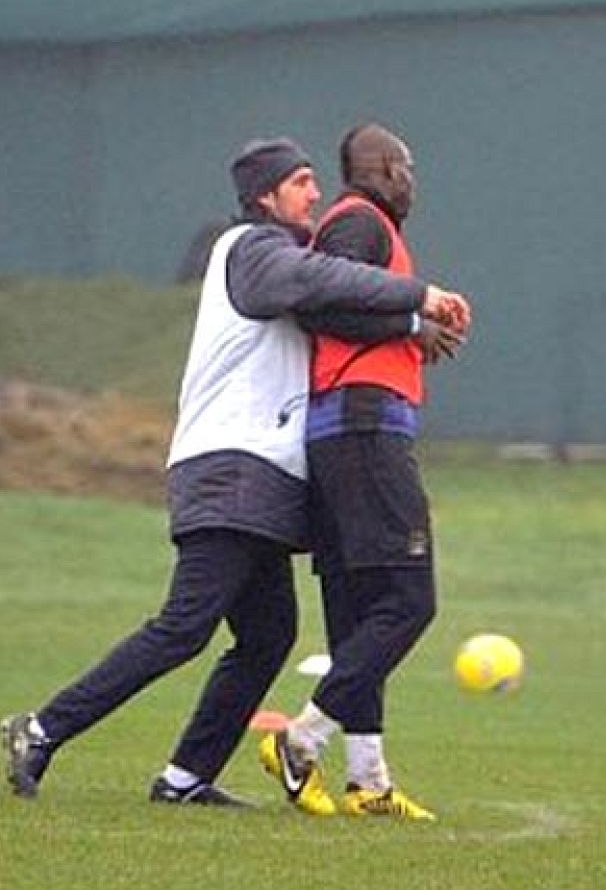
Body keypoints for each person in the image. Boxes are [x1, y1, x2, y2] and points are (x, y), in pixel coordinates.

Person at [0, 137, 470, 806]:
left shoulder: (281, 259)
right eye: (301, 182)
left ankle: (185, 778)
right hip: (230, 467)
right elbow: (320, 282)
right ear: (265, 197)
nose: (316, 193)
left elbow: (330, 302)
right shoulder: (251, 249)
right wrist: (420, 295)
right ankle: (42, 729)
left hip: (262, 475)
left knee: (268, 635)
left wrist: (408, 324)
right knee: (184, 626)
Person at [260, 123, 461, 821]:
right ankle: (301, 739)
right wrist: (409, 323)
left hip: (341, 431)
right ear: (379, 168)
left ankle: (368, 780)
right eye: (404, 165)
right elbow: (322, 304)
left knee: (358, 612)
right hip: (364, 425)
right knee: (410, 601)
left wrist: (413, 328)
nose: (412, 180)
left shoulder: (366, 227)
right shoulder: (359, 221)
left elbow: (343, 305)